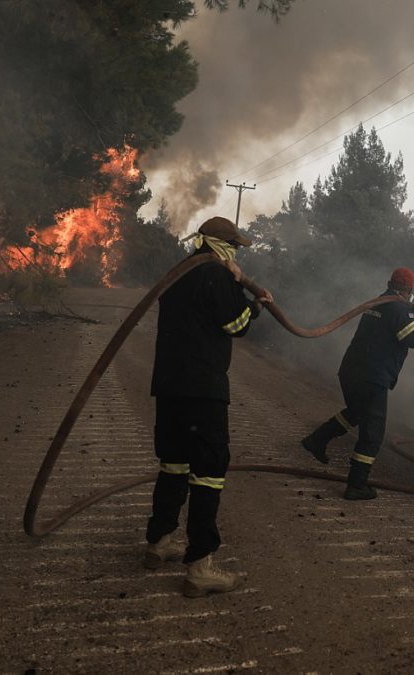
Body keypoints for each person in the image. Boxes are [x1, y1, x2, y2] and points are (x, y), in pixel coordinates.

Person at [143, 215, 273, 598]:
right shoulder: (215, 276)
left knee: (174, 464)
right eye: (235, 247)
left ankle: (159, 542)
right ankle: (201, 566)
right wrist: (257, 304)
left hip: (169, 386)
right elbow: (237, 326)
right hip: (203, 389)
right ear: (223, 246)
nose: (236, 254)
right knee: (209, 472)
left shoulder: (179, 271)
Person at [300, 267, 414, 500]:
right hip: (371, 377)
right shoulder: (398, 309)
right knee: (373, 434)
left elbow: (407, 333)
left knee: (356, 412)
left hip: (351, 372)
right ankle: (356, 485)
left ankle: (316, 440)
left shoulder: (379, 303)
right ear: (410, 289)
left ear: (390, 283)